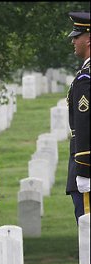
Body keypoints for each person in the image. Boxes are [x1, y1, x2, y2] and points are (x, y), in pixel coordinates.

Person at [65, 11, 90, 222]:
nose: (73, 40)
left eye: (77, 35)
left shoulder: (86, 78)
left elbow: (84, 123)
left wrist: (84, 169)